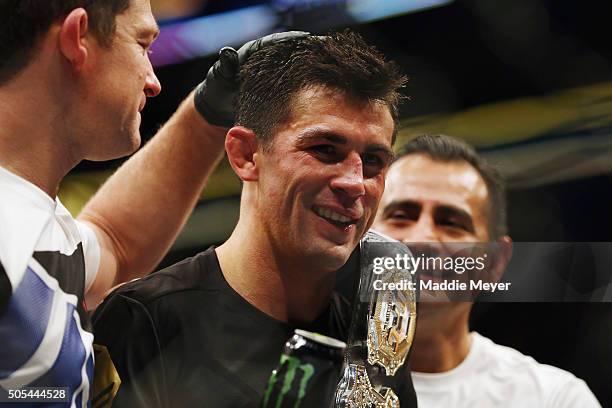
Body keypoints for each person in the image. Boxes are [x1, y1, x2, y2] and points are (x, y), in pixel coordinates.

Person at [92, 31, 418, 407]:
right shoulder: (147, 320)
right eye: (325, 149)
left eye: (374, 161)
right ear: (246, 154)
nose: (354, 182)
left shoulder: (378, 325)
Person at [0, 0, 301, 405]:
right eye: (143, 44)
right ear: (77, 37)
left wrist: (209, 110)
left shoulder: (31, 219)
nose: (153, 80)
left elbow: (115, 240)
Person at [372, 134, 601, 407]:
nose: (423, 239)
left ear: (494, 263)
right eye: (400, 215)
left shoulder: (554, 398)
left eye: (452, 223)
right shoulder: (313, 368)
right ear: (364, 236)